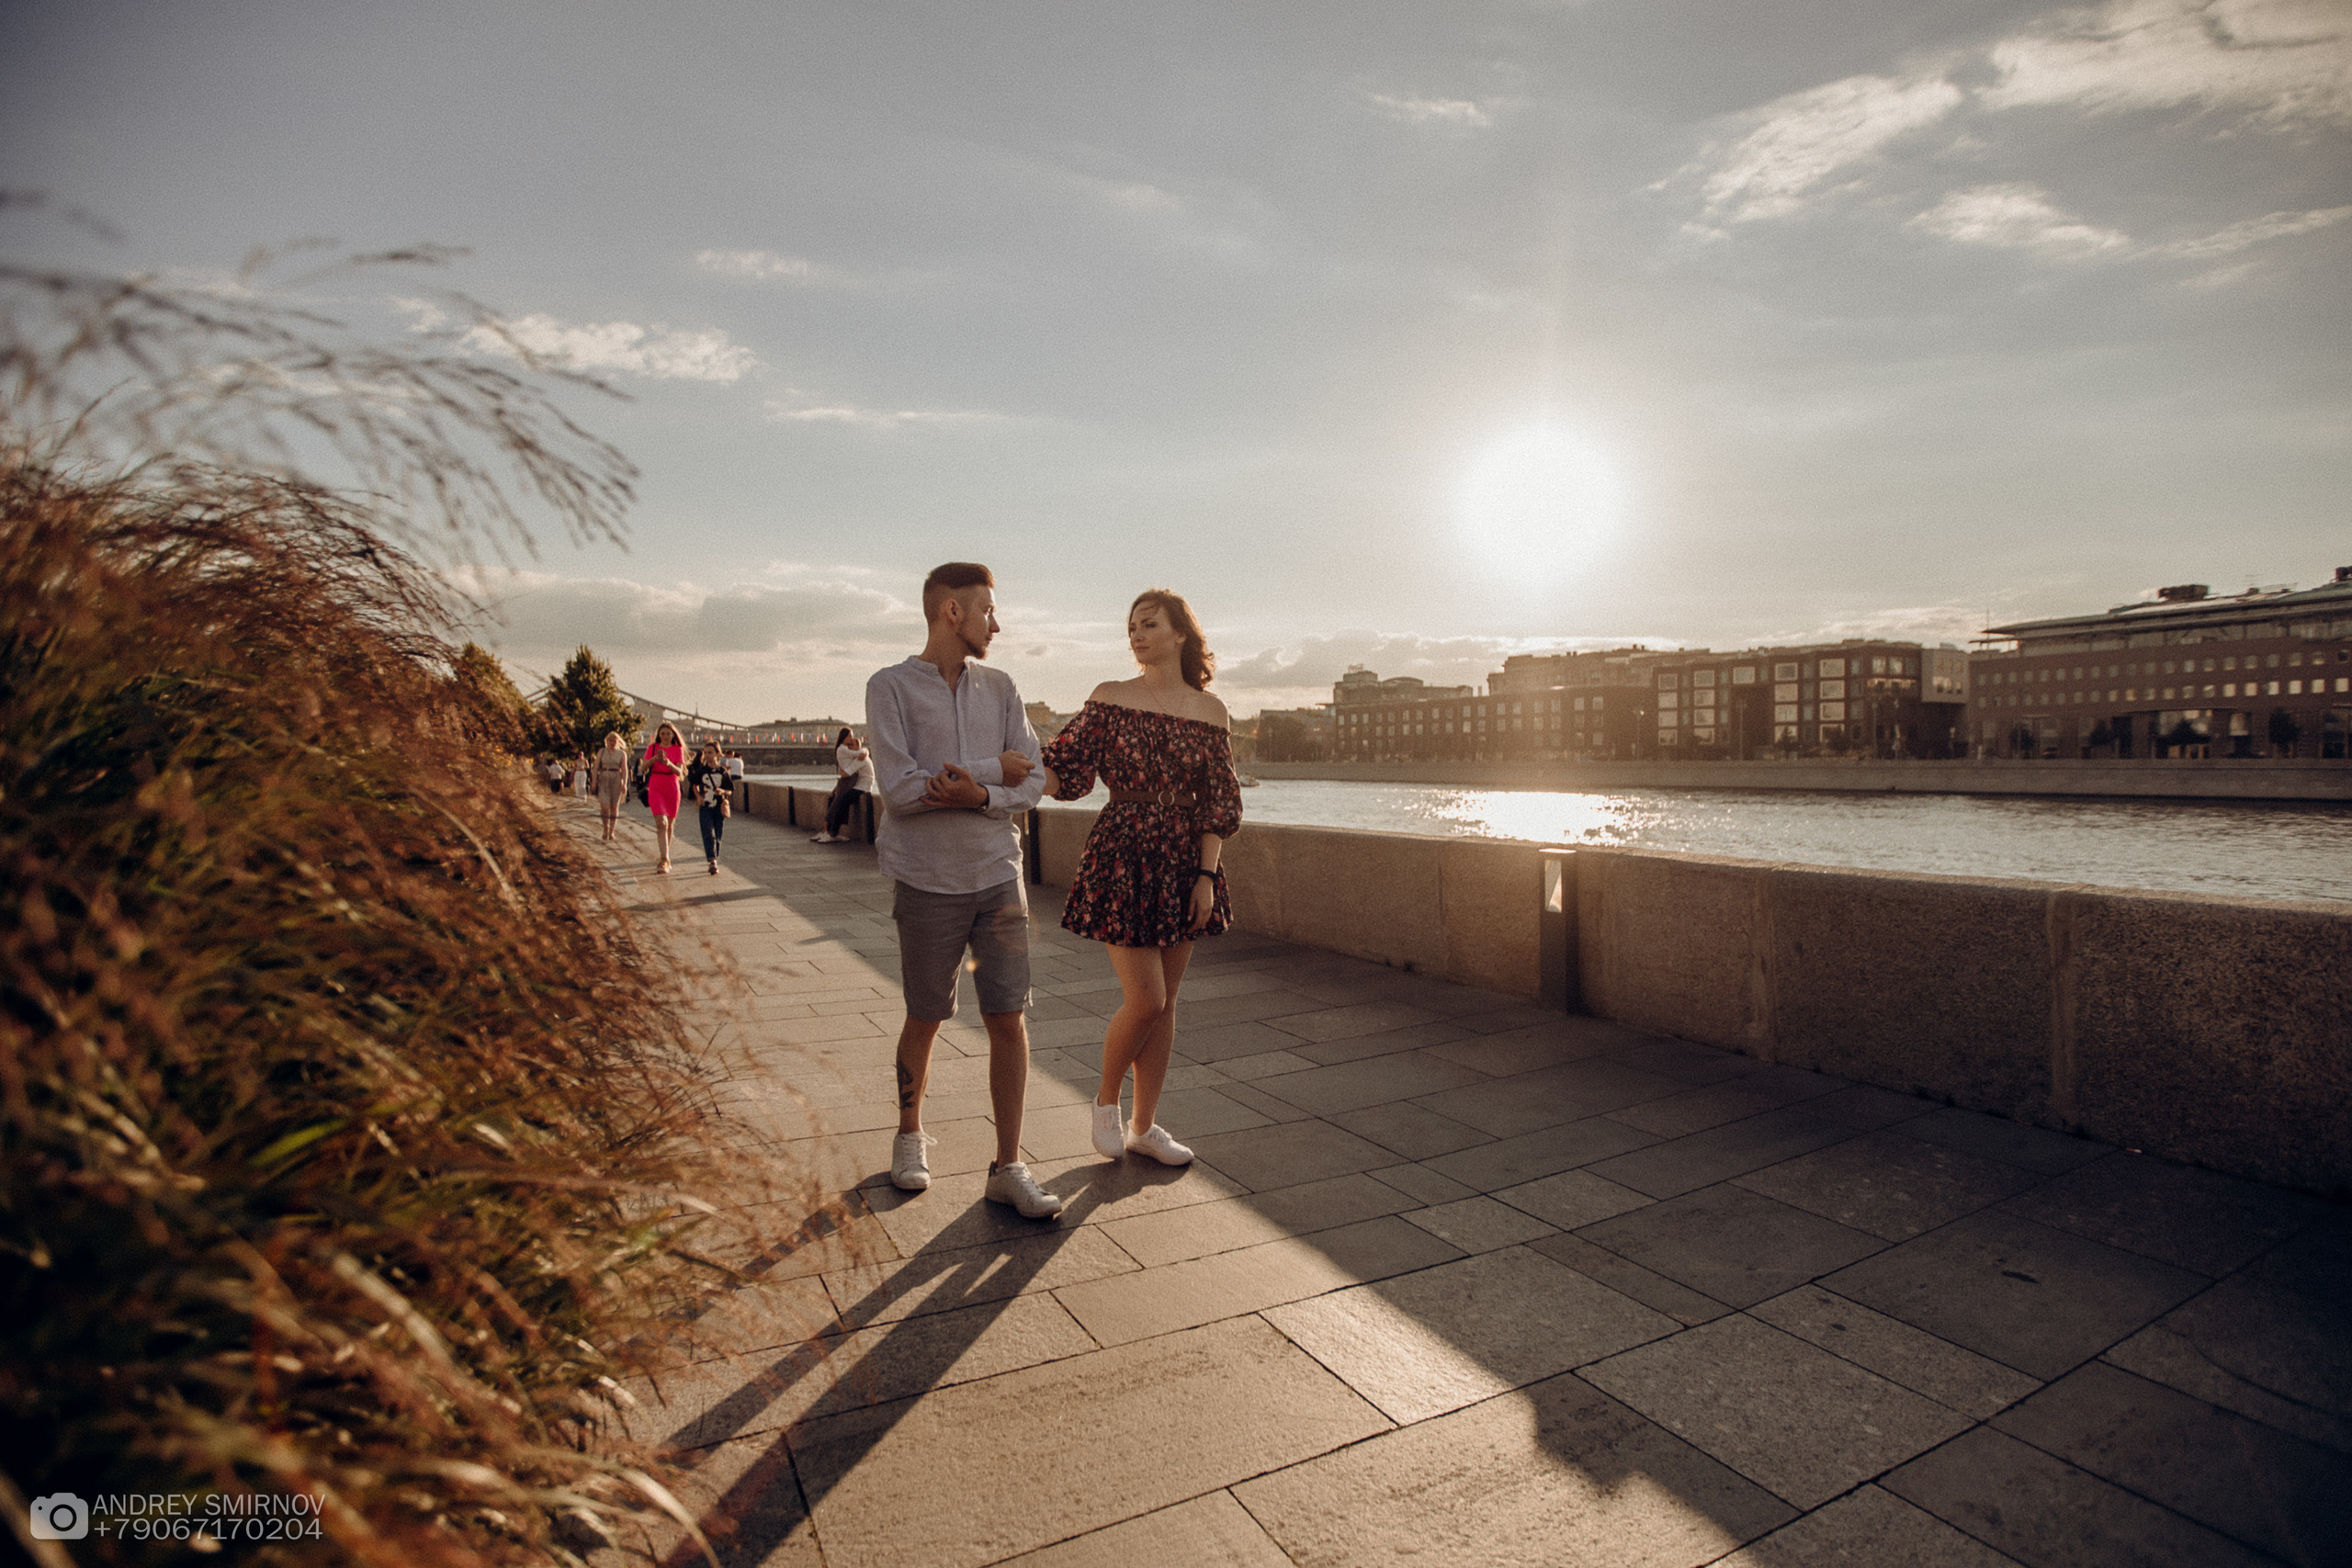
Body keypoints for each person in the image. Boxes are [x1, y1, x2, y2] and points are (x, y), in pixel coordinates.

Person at [865, 562, 1060, 1219]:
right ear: (952, 612)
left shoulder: (1003, 688)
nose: (996, 625)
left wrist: (975, 792)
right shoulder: (889, 688)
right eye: (988, 612)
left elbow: (1031, 784)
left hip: (1000, 878)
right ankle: (909, 1134)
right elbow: (898, 789)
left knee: (1010, 1018)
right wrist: (987, 773)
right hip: (926, 882)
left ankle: (1008, 1166)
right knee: (926, 1015)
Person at [1028, 588, 1242, 1168]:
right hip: (1124, 850)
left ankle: (1146, 1127)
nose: (1137, 635)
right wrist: (1003, 777)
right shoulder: (1111, 697)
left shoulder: (1210, 710)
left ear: (1180, 634)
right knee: (1144, 999)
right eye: (1132, 627)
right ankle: (1105, 1101)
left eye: (1149, 625)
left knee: (1167, 1003)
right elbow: (1065, 770)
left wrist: (1206, 875)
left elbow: (1218, 802)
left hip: (1183, 860)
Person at [813, 727, 876, 843]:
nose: (850, 750)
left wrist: (843, 772)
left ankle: (832, 834)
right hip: (859, 785)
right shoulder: (859, 756)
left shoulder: (861, 759)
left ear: (857, 747)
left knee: (842, 802)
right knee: (840, 801)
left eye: (851, 747)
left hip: (863, 787)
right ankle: (830, 831)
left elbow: (848, 773)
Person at [641, 721, 686, 874]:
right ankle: (664, 859)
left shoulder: (677, 749)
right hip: (656, 784)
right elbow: (642, 767)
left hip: (672, 786)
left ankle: (665, 856)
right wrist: (654, 759)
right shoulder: (652, 748)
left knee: (670, 825)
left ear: (673, 735)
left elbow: (679, 772)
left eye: (668, 734)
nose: (665, 737)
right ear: (658, 735)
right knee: (661, 822)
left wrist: (668, 763)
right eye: (662, 734)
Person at [685, 740, 731, 875]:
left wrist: (722, 791)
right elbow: (694, 785)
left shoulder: (722, 771)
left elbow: (729, 790)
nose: (707, 755)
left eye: (710, 753)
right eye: (705, 753)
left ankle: (715, 857)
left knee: (718, 833)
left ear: (718, 754)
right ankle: (712, 861)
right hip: (705, 806)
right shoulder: (702, 770)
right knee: (707, 832)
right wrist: (698, 796)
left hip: (719, 807)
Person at [593, 732, 631, 842]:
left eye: (614, 741)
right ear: (607, 742)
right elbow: (595, 767)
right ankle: (605, 829)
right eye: (610, 741)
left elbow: (624, 770)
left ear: (618, 742)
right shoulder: (602, 752)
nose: (612, 743)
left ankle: (612, 831)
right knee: (604, 806)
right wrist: (594, 781)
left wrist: (624, 784)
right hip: (604, 778)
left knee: (614, 807)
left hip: (616, 778)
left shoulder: (621, 754)